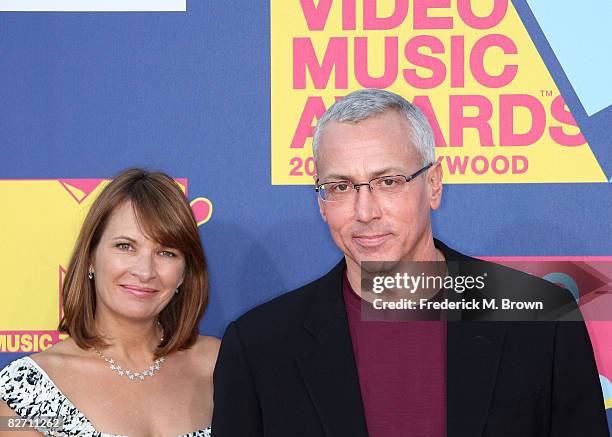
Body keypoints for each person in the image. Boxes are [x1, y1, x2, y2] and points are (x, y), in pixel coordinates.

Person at [211, 89, 609, 436]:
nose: (364, 211)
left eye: (388, 181)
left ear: (433, 184)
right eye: (341, 187)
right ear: (321, 201)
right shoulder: (260, 348)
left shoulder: (542, 319)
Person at [0, 168, 219, 437]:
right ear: (91, 257)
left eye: (166, 252)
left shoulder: (219, 365)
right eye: (125, 246)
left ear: (184, 272)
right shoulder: (30, 389)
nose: (145, 271)